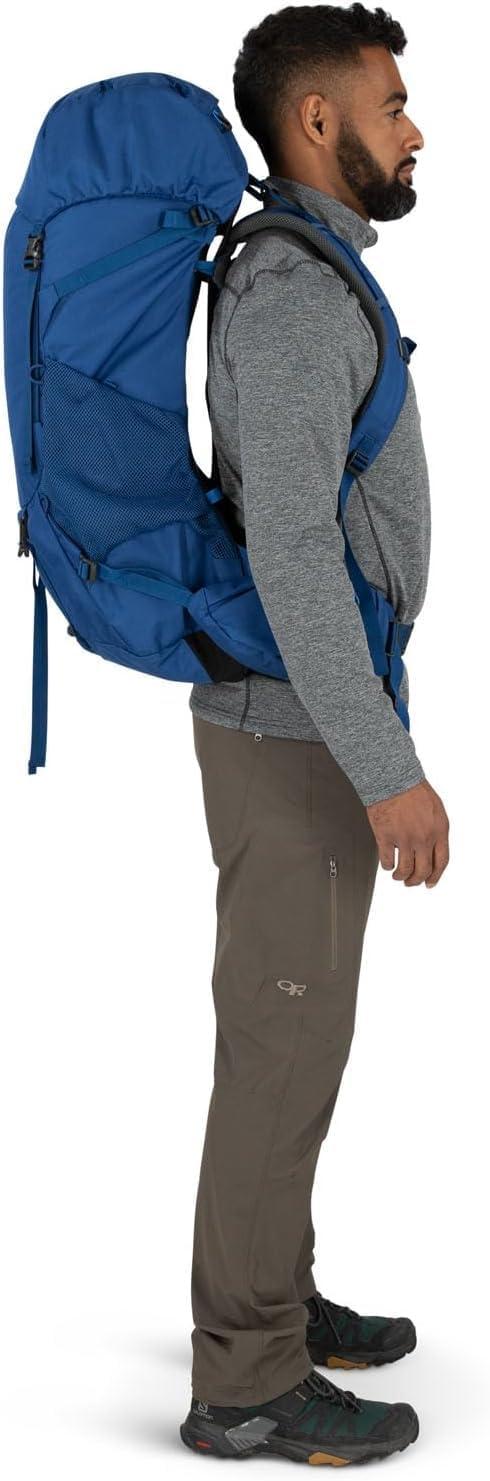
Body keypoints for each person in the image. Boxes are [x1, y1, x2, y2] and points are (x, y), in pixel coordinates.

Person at [180, 3, 450, 1466]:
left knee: (298, 1040)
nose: (414, 131)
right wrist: (385, 767)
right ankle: (245, 1379)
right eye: (390, 105)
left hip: (309, 721)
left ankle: (274, 1297)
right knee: (281, 1052)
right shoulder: (291, 293)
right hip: (296, 731)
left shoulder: (312, 269)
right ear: (316, 122)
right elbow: (290, 552)